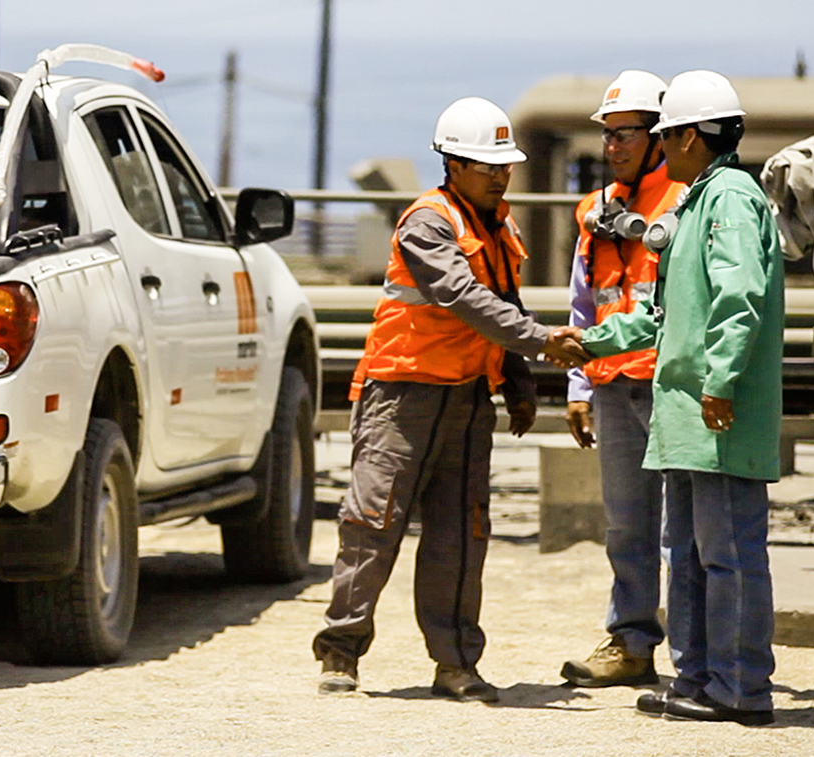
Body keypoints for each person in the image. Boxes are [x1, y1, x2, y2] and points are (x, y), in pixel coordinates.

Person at [313, 97, 589, 700]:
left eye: (504, 164)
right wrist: (544, 343)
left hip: (465, 400)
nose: (499, 174)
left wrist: (517, 383)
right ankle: (341, 650)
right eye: (485, 164)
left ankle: (457, 662)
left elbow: (506, 304)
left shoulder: (501, 226)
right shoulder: (428, 222)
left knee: (461, 534)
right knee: (373, 523)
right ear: (452, 164)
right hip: (402, 395)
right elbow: (462, 296)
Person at [570, 70, 783, 726]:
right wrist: (590, 345)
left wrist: (720, 380)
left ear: (691, 135)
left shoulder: (733, 200)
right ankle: (697, 677)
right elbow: (662, 317)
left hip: (715, 409)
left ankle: (740, 685)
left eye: (666, 135)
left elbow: (740, 295)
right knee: (690, 552)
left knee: (728, 551)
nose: (663, 147)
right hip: (685, 415)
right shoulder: (695, 205)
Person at [560, 71, 684, 689]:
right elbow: (585, 303)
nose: (613, 146)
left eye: (626, 133)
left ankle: (695, 657)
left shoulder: (688, 198)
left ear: (659, 134)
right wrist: (579, 388)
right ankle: (631, 645)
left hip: (671, 386)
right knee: (627, 526)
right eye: (607, 135)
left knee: (682, 527)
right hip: (611, 386)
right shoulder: (596, 209)